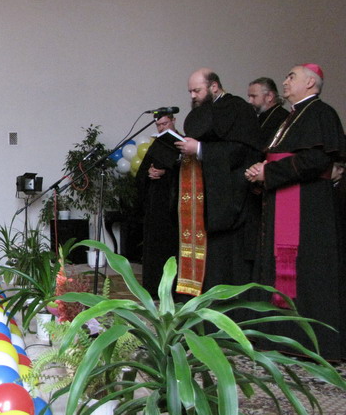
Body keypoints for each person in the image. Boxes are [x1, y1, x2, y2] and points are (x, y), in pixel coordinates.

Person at [245, 63, 346, 360]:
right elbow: (279, 155)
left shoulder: (321, 113)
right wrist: (261, 171)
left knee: (307, 272)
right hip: (283, 200)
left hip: (308, 208)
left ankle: (307, 340)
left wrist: (270, 172)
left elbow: (316, 160)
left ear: (310, 83)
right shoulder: (290, 117)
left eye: (292, 76)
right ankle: (279, 335)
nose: (285, 81)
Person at [174, 68, 261, 296]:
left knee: (227, 260)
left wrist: (200, 149)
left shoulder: (238, 109)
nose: (192, 96)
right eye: (190, 91)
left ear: (214, 86)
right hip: (206, 196)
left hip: (231, 198)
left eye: (197, 90)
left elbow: (241, 152)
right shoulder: (206, 111)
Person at [135, 113, 181, 296]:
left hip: (173, 206)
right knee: (153, 247)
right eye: (159, 125)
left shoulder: (183, 142)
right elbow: (140, 174)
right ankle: (152, 289)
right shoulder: (157, 144)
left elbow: (186, 172)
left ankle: (172, 289)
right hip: (155, 204)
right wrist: (149, 172)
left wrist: (166, 172)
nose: (162, 128)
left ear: (173, 121)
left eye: (165, 123)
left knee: (171, 247)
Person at [247, 77, 288, 149]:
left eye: (253, 96)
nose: (249, 101)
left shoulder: (283, 118)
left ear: (269, 96)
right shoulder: (261, 116)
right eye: (249, 97)